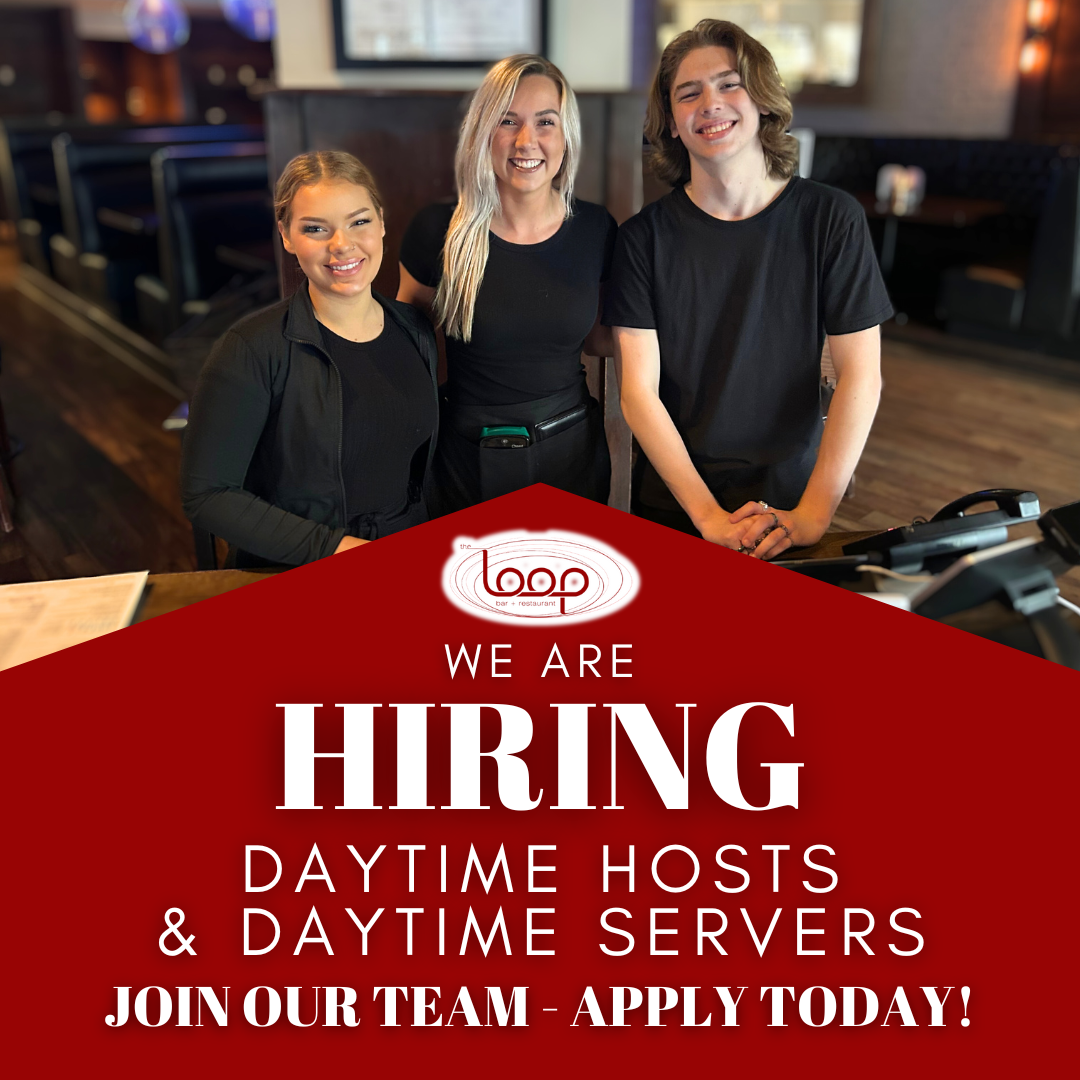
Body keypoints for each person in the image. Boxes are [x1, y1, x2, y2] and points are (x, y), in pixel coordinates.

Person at [606, 19, 892, 559]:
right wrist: (708, 517)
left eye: (729, 84)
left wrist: (813, 516)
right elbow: (638, 393)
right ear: (672, 123)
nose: (710, 103)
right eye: (688, 93)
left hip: (794, 498)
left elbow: (861, 375)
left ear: (761, 100)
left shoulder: (832, 218)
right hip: (678, 502)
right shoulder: (642, 238)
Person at [181, 151, 439, 567]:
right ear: (286, 235)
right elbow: (207, 495)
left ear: (381, 222)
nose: (342, 245)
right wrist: (336, 549)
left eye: (359, 222)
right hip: (299, 567)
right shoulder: (250, 347)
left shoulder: (415, 329)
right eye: (316, 228)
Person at [397, 54, 617, 513]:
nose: (525, 140)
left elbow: (599, 340)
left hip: (571, 452)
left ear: (566, 136)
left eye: (545, 122)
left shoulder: (597, 228)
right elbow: (408, 353)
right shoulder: (437, 231)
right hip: (465, 460)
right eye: (508, 120)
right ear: (483, 132)